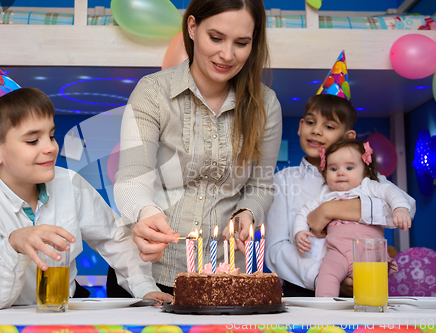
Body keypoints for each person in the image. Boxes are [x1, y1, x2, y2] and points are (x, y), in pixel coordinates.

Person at [0, 36, 171, 309]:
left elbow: (116, 240)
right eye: (33, 140)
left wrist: (144, 289)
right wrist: (14, 244)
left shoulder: (69, 183)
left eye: (52, 136)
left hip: (61, 313)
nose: (50, 148)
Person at [113, 0, 282, 293]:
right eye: (215, 38)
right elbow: (131, 179)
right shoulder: (153, 92)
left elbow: (261, 187)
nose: (227, 54)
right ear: (192, 27)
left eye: (241, 43)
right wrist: (145, 213)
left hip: (225, 276)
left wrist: (248, 212)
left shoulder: (266, 105)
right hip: (147, 274)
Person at [264, 51, 416, 297]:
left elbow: (406, 207)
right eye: (311, 123)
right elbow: (276, 248)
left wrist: (330, 210)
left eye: (329, 126)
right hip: (303, 289)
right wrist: (322, 276)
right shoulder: (283, 181)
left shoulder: (365, 178)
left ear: (348, 137)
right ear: (300, 127)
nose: (317, 132)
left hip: (363, 280)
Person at [293, 139, 413, 297]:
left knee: (371, 293)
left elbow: (392, 192)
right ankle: (323, 312)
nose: (340, 173)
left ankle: (372, 317)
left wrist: (400, 209)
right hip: (337, 252)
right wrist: (299, 231)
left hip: (369, 253)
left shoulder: (368, 186)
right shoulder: (325, 194)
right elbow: (304, 212)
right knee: (326, 276)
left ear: (365, 170)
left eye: (349, 167)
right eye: (333, 168)